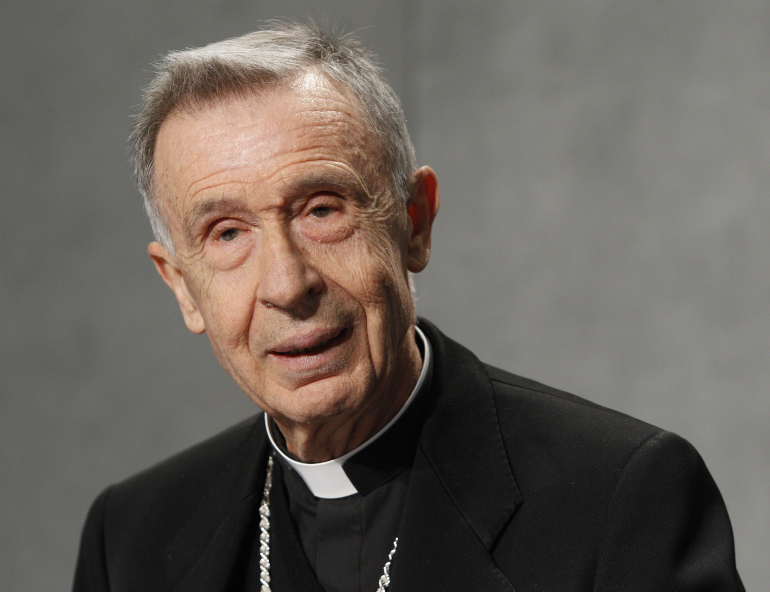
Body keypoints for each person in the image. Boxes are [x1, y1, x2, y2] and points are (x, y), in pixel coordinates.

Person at [73, 22, 744, 592]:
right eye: (227, 234)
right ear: (183, 286)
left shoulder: (620, 499)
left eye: (321, 209)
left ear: (414, 222)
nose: (286, 282)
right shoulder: (131, 539)